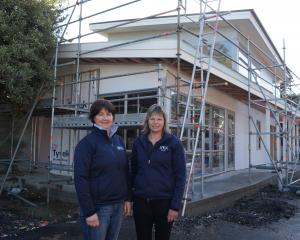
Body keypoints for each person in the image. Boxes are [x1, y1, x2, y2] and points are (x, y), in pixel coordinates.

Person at [74, 99, 131, 240]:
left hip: (118, 205)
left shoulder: (118, 141)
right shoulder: (87, 144)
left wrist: (128, 198)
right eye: (100, 114)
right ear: (93, 117)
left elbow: (125, 171)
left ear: (113, 117)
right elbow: (80, 179)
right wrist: (89, 212)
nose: (105, 118)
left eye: (109, 114)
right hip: (99, 208)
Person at [131, 104, 186, 240]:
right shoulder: (139, 142)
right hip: (141, 202)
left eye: (159, 119)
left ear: (164, 122)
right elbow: (133, 171)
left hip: (164, 202)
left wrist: (175, 206)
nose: (155, 122)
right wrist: (130, 197)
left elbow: (181, 176)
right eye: (152, 119)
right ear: (147, 121)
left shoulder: (173, 143)